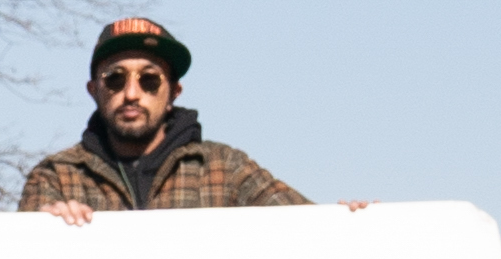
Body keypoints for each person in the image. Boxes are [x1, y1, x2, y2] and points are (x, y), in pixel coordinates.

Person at [17, 17, 314, 217]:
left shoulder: (225, 169)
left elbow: (311, 227)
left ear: (174, 92)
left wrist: (341, 217)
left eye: (149, 79)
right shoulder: (57, 176)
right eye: (115, 79)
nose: (131, 93)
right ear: (94, 90)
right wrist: (45, 228)